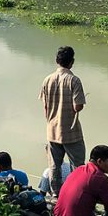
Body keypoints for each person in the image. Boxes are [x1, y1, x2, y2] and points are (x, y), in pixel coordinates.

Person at [40, 46, 86, 196]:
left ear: (56, 61)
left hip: (52, 130)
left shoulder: (47, 80)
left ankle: (55, 194)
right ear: (72, 62)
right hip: (71, 132)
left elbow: (45, 107)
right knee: (78, 167)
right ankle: (76, 193)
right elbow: (77, 106)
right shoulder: (74, 80)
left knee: (54, 166)